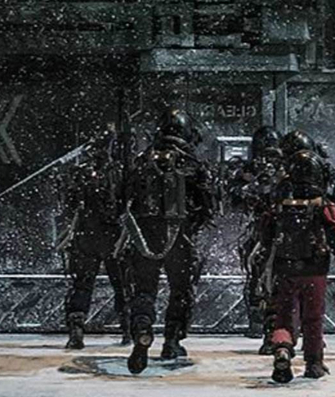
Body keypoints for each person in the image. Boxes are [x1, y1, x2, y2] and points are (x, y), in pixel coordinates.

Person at [122, 107, 216, 374]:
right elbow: (207, 204)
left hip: (145, 237)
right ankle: (172, 340)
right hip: (180, 238)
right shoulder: (192, 163)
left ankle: (142, 328)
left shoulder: (143, 160)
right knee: (181, 290)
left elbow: (124, 198)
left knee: (144, 289)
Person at [260, 150, 335, 383]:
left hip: (285, 266)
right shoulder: (322, 203)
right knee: (313, 317)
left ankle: (282, 348)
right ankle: (314, 362)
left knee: (284, 315)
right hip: (314, 267)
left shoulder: (280, 203)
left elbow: (266, 234)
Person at [57, 128, 130, 349]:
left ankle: (76, 329)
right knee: (122, 284)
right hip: (112, 237)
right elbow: (128, 202)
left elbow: (68, 203)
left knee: (83, 285)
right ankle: (128, 328)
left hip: (86, 235)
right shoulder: (120, 172)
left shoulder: (80, 173)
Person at [225, 125, 286, 353]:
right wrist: (250, 184)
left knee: (282, 280)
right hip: (260, 232)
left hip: (283, 231)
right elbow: (234, 199)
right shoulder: (250, 171)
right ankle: (261, 323)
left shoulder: (288, 169)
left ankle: (279, 327)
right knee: (258, 278)